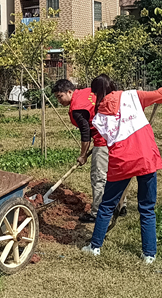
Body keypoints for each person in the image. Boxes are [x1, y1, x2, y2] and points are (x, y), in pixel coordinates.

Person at [82, 75, 162, 264]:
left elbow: (104, 140)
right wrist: (160, 91)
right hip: (146, 157)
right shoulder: (132, 96)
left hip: (121, 161)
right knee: (147, 207)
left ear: (95, 93)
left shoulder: (98, 117)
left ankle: (95, 246)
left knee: (106, 205)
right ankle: (149, 254)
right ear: (113, 85)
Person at [51, 79, 125, 224]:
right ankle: (120, 206)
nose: (59, 101)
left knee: (99, 177)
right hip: (118, 135)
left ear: (69, 92)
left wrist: (83, 155)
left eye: (60, 96)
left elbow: (85, 133)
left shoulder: (77, 108)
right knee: (116, 172)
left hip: (103, 140)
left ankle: (97, 213)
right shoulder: (86, 91)